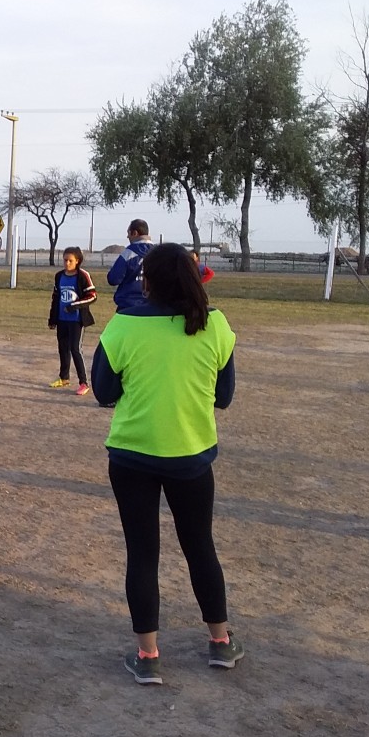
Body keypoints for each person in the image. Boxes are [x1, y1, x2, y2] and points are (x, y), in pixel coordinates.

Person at [91, 242, 243, 685]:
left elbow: (103, 391)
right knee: (200, 547)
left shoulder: (124, 325)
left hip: (132, 456)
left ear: (147, 281)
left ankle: (148, 655)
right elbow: (225, 397)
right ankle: (219, 643)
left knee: (143, 553)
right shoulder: (213, 325)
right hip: (191, 457)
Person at [48, 246, 97, 396]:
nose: (67, 263)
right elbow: (55, 298)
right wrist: (53, 318)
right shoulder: (59, 276)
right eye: (65, 260)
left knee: (75, 349)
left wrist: (74, 306)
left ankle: (84, 383)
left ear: (77, 261)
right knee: (63, 348)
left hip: (76, 320)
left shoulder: (82, 276)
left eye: (70, 260)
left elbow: (93, 296)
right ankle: (64, 378)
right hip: (62, 320)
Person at [106, 219, 155, 310]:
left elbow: (113, 279)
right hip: (152, 307)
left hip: (128, 306)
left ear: (135, 233)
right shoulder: (159, 253)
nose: (127, 236)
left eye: (128, 233)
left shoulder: (128, 253)